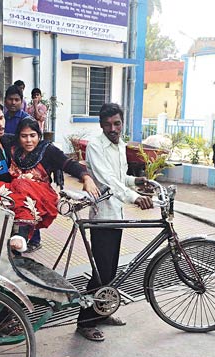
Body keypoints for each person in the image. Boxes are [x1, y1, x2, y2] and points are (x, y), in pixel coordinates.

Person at [76, 103, 154, 342]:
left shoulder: (120, 146)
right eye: (108, 124)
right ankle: (85, 322)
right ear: (101, 125)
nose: (113, 128)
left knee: (110, 272)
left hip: (116, 215)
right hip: (102, 218)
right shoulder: (96, 147)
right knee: (100, 273)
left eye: (117, 123)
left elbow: (120, 178)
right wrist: (134, 197)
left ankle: (101, 313)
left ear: (122, 123)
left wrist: (136, 181)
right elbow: (107, 181)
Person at [0, 117, 99, 252]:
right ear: (18, 137)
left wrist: (86, 177)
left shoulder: (47, 150)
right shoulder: (13, 146)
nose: (28, 140)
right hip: (16, 195)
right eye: (24, 136)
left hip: (41, 195)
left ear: (39, 136)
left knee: (21, 183)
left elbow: (68, 163)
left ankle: (21, 234)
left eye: (32, 135)